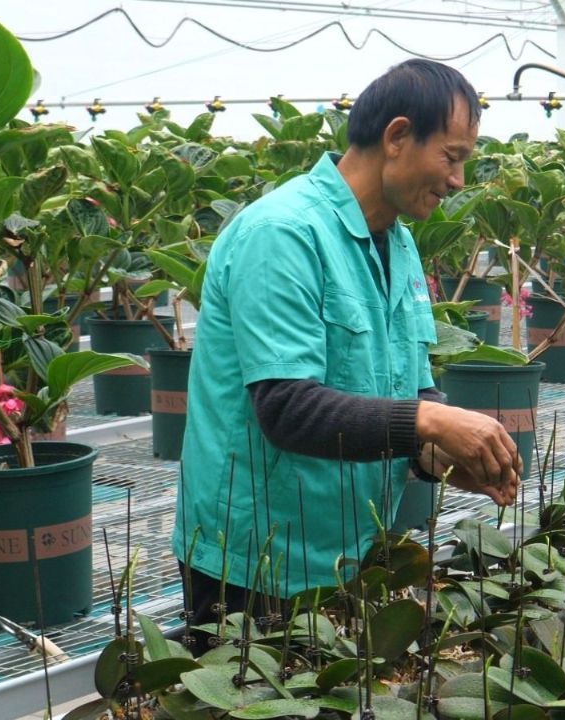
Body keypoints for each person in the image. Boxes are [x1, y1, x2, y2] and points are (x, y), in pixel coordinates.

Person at [172, 59, 520, 649]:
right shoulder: (282, 234)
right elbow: (286, 408)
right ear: (397, 136)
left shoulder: (397, 243)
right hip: (255, 560)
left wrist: (436, 455)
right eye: (451, 157)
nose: (459, 180)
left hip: (348, 548)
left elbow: (407, 387)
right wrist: (431, 421)